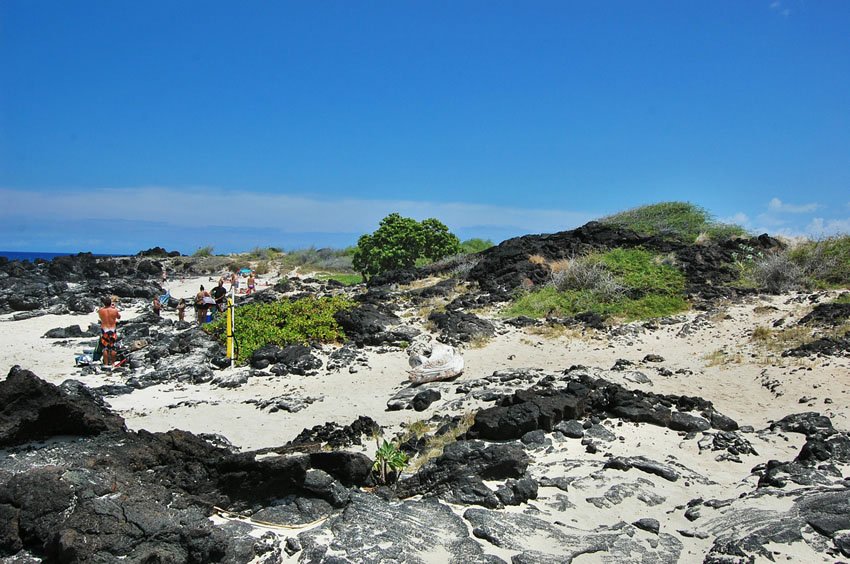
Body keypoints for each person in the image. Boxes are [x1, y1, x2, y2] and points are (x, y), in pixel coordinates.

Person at [98, 296, 121, 370]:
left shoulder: (100, 310)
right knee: (113, 347)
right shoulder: (114, 310)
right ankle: (113, 363)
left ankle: (106, 363)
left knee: (105, 347)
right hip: (112, 329)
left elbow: (101, 318)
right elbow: (119, 317)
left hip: (104, 329)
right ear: (111, 303)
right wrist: (113, 308)